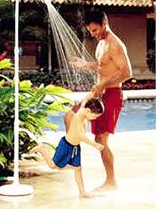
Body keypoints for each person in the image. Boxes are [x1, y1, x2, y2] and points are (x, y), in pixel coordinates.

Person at [67, 10, 132, 191]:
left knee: (102, 140)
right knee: (70, 116)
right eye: (90, 32)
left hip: (111, 94)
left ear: (105, 23)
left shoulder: (115, 44)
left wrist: (103, 84)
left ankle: (111, 182)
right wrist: (85, 64)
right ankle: (68, 155)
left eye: (95, 30)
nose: (93, 35)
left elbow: (127, 72)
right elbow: (102, 64)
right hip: (99, 94)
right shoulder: (101, 43)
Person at [30, 98, 105, 198]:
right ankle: (42, 149)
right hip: (66, 146)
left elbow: (87, 101)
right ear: (88, 111)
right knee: (53, 166)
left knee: (78, 169)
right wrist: (94, 144)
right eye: (95, 116)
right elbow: (80, 135)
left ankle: (82, 192)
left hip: (75, 147)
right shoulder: (78, 117)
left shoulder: (84, 114)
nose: (95, 118)